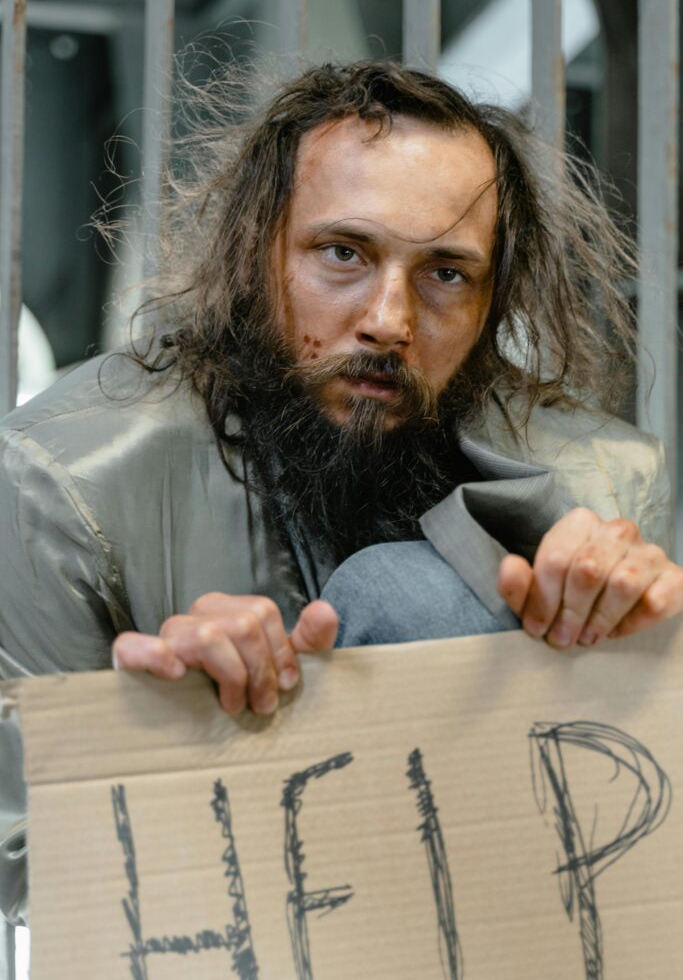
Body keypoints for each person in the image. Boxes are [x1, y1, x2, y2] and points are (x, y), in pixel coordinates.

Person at [0, 61, 681, 923]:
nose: (388, 320)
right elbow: (17, 864)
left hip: (501, 920)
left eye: (445, 274)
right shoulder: (63, 476)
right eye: (342, 253)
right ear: (256, 254)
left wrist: (638, 650)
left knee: (408, 595)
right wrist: (159, 738)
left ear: (490, 297)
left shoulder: (596, 478)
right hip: (222, 934)